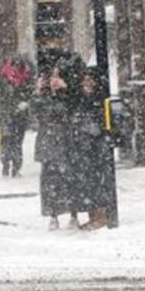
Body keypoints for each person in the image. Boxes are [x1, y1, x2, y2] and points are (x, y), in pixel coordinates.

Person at [35, 53, 84, 230]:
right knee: (50, 181)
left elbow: (70, 110)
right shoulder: (44, 96)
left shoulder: (71, 95)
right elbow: (37, 114)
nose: (54, 79)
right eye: (52, 76)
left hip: (66, 142)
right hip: (49, 143)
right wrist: (41, 93)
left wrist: (64, 91)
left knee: (69, 178)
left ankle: (73, 214)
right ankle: (53, 215)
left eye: (57, 75)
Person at [76, 67, 111, 230]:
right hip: (84, 145)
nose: (87, 83)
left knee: (98, 179)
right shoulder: (79, 98)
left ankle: (101, 214)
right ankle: (92, 214)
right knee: (87, 180)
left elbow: (103, 120)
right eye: (85, 79)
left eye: (90, 80)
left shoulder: (100, 98)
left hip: (97, 144)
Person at [0, 55, 33, 177]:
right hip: (5, 113)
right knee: (6, 139)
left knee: (17, 141)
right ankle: (5, 164)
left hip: (20, 115)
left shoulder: (26, 77)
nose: (16, 69)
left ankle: (16, 167)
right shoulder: (2, 76)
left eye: (18, 66)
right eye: (14, 65)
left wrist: (26, 103)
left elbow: (31, 94)